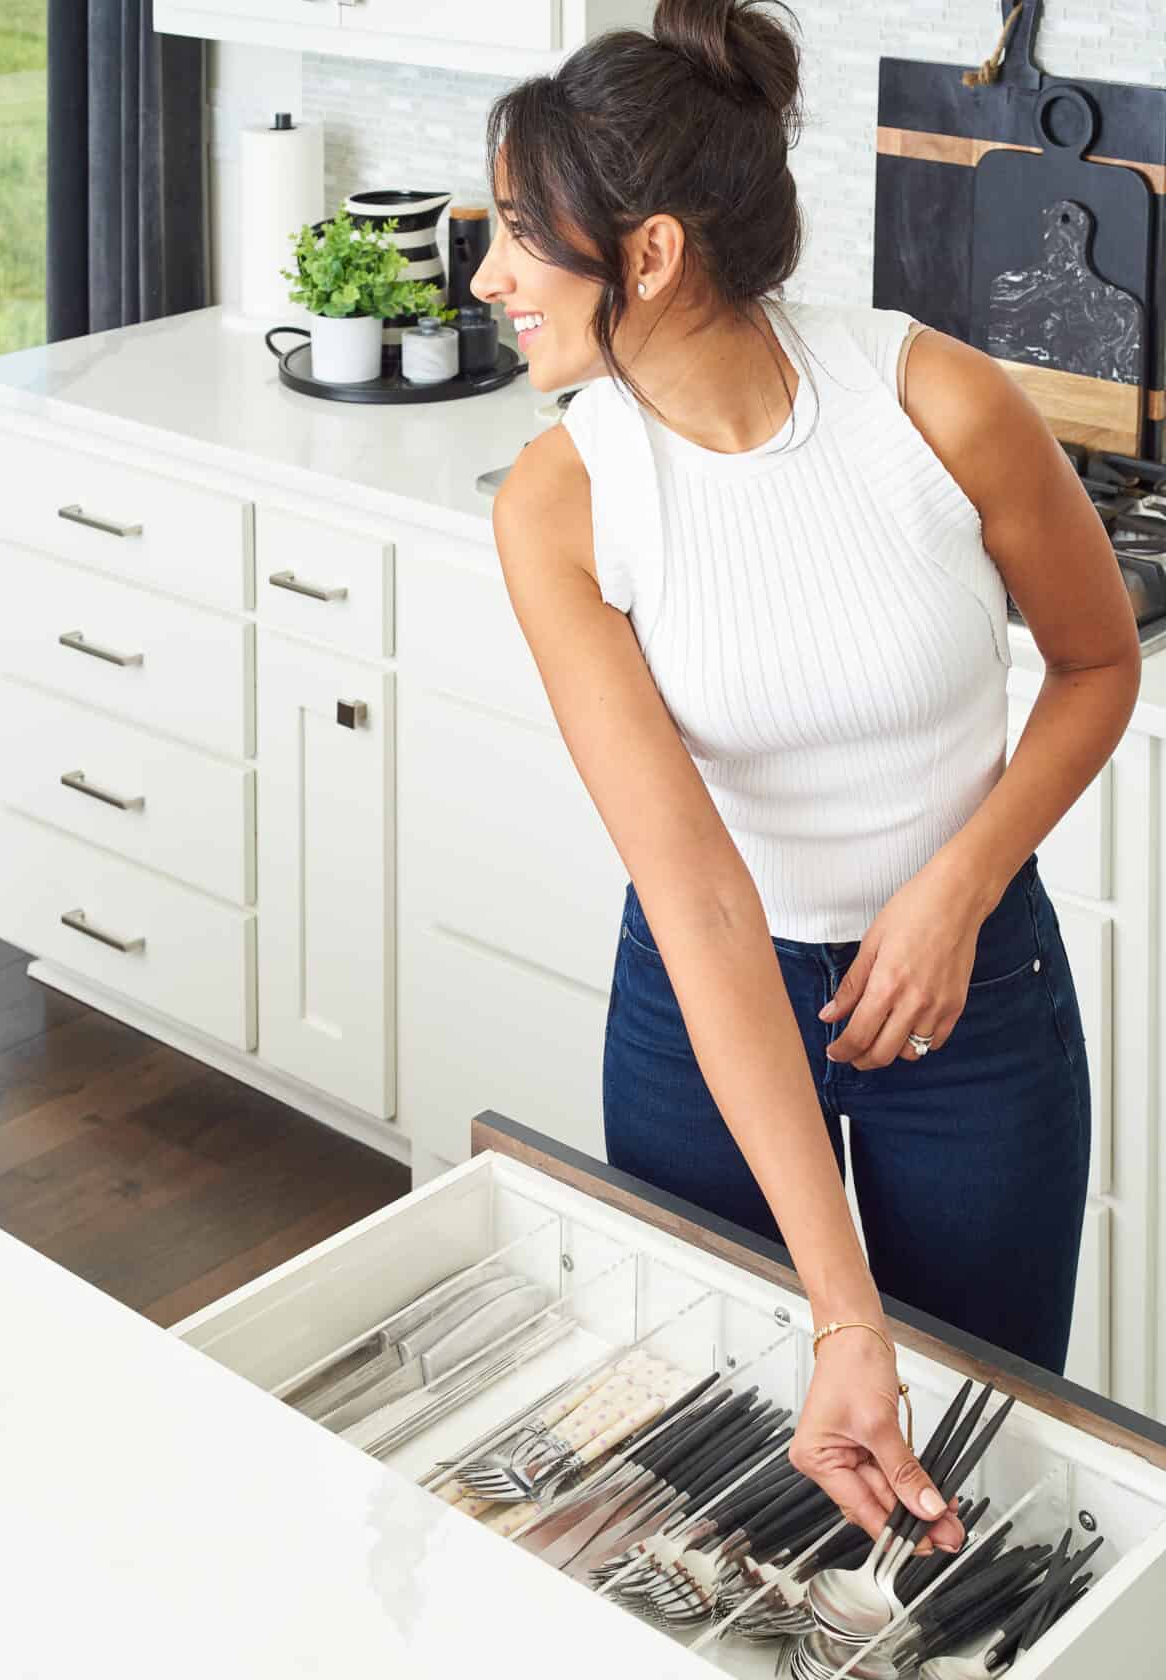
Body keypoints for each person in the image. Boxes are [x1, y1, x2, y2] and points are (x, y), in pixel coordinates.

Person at [470, 0, 1140, 1553]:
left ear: (645, 258)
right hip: (705, 1000)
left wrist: (955, 887)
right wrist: (843, 1315)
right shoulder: (563, 502)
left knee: (974, 1443)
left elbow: (1097, 666)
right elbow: (698, 897)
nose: (490, 273)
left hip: (976, 1004)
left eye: (519, 232)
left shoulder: (942, 404)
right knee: (724, 1431)